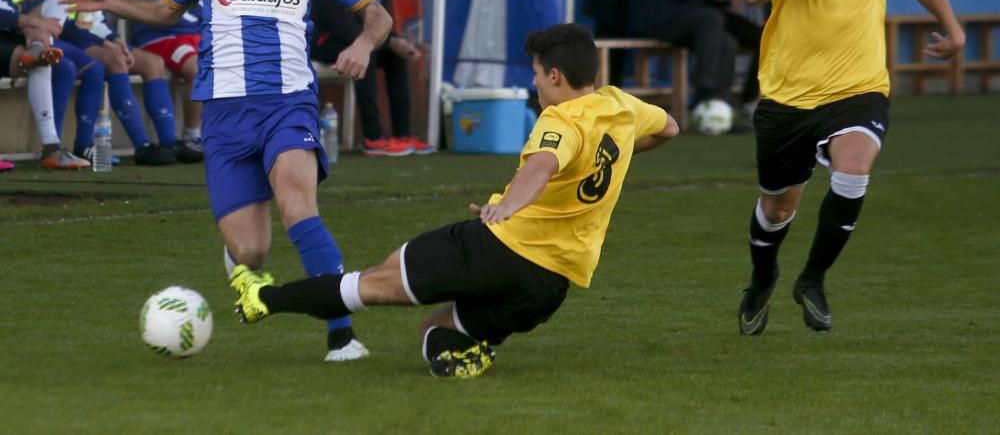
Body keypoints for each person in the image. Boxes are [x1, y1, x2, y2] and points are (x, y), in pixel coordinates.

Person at [61, 0, 394, 362]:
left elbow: (378, 15)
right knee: (253, 251)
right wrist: (109, 0)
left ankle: (341, 335)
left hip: (289, 104)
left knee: (298, 205)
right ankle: (241, 260)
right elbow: (165, 10)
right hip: (223, 113)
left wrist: (363, 45)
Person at [228, 23, 680, 379]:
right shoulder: (621, 106)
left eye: (538, 73)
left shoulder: (559, 119)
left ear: (556, 76)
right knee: (435, 333)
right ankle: (458, 359)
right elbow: (669, 129)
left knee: (366, 286)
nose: (535, 82)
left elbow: (540, 167)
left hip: (497, 250)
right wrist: (614, 155)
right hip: (549, 287)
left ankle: (262, 298)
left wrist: (508, 206)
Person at [735, 0, 964, 335]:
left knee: (856, 164)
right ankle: (762, 278)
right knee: (778, 207)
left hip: (858, 89)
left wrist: (953, 26)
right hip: (787, 97)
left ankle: (813, 279)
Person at [35, 0, 178, 165]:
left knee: (152, 63)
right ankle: (142, 145)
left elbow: (98, 16)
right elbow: (56, 17)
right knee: (115, 60)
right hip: (66, 38)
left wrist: (115, 39)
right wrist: (105, 44)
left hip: (91, 38)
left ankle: (170, 144)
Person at [311, 0, 430, 156]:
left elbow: (380, 22)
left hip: (357, 40)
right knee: (367, 54)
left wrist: (396, 42)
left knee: (395, 57)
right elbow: (342, 28)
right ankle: (373, 137)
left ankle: (402, 135)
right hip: (324, 41)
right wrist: (386, 43)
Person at [0, 0, 89, 169]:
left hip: (18, 33)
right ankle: (51, 146)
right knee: (43, 58)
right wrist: (28, 15)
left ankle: (52, 147)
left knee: (60, 3)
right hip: (9, 32)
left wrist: (26, 12)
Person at [131, 0, 205, 160]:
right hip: (160, 37)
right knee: (198, 67)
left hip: (191, 33)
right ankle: (191, 136)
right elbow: (169, 11)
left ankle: (234, 135)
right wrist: (205, 19)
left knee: (234, 59)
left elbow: (208, 0)